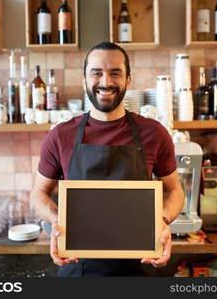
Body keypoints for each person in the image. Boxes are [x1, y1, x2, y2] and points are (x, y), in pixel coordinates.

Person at [31, 42, 184, 277]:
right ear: (84, 81)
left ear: (128, 80)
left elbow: (175, 191)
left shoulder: (154, 133)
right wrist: (57, 221)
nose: (106, 82)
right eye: (96, 73)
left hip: (138, 269)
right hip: (78, 268)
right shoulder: (61, 135)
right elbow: (38, 194)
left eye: (115, 73)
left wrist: (161, 221)